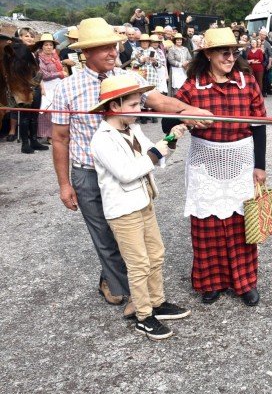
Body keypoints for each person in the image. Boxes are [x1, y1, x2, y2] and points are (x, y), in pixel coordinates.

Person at [51, 17, 212, 315]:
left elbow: (161, 102)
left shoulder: (128, 78)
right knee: (103, 233)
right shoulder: (66, 88)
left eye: (114, 46)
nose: (113, 52)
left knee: (136, 230)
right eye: (104, 48)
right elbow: (60, 139)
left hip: (127, 169)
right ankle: (127, 291)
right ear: (86, 52)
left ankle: (141, 295)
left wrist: (191, 110)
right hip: (87, 171)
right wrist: (64, 184)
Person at [89, 76, 191, 339]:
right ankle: (143, 315)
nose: (140, 110)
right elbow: (127, 172)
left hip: (144, 202)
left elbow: (153, 156)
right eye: (134, 105)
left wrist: (172, 137)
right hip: (124, 211)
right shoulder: (102, 139)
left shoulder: (132, 129)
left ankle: (157, 302)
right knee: (138, 264)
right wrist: (157, 151)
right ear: (115, 105)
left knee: (156, 254)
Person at [173, 27, 266, 306]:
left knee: (241, 225)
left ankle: (244, 282)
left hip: (240, 161)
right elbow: (168, 119)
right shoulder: (192, 86)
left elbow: (259, 126)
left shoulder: (247, 82)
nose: (230, 57)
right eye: (224, 52)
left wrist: (260, 166)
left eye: (234, 52)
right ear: (209, 54)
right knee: (207, 225)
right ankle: (209, 282)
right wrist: (186, 118)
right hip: (205, 162)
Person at [36, 32, 65, 145]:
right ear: (41, 46)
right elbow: (44, 75)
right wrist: (60, 73)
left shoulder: (54, 57)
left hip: (57, 86)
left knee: (58, 110)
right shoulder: (40, 58)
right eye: (46, 45)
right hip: (46, 86)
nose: (49, 47)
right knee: (47, 112)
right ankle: (48, 136)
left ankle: (56, 134)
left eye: (51, 45)